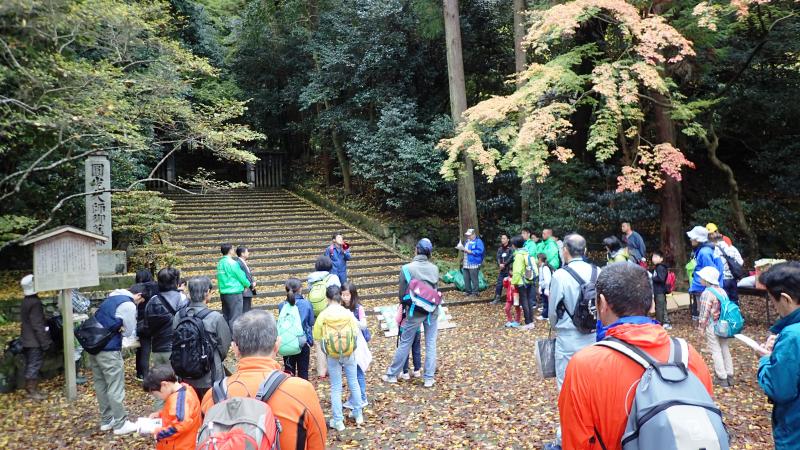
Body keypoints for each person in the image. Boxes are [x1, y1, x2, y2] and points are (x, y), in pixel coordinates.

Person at [558, 262, 714, 450]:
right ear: (652, 303)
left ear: (602, 303)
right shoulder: (688, 355)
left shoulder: (585, 365)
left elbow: (576, 441)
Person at [200, 310, 327, 450]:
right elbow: (318, 443)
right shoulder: (301, 391)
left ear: (235, 348)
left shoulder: (212, 398)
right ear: (277, 345)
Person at [544, 233, 597, 450]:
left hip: (568, 337)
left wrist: (554, 325)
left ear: (565, 249)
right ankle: (592, 433)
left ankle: (566, 438)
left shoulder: (560, 275)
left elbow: (553, 310)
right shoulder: (597, 271)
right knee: (591, 387)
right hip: (592, 336)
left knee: (567, 389)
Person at [383, 238, 440, 388]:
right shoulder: (435, 268)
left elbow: (402, 295)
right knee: (430, 342)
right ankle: (428, 378)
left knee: (405, 342)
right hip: (432, 310)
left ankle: (392, 375)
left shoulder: (406, 268)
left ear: (416, 250)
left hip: (415, 310)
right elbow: (435, 289)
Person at [90, 285, 147, 435]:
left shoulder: (112, 297)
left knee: (101, 383)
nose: (139, 304)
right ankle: (120, 423)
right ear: (139, 295)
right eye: (141, 301)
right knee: (115, 385)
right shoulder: (128, 304)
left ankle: (107, 420)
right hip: (109, 349)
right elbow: (129, 331)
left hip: (94, 345)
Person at [756, 262, 800, 449]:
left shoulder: (792, 336)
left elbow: (780, 389)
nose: (774, 308)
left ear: (785, 299)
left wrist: (765, 359)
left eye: (773, 302)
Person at [312, 285, 364, 430]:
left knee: (336, 387)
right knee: (353, 381)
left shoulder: (323, 315)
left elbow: (316, 335)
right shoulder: (347, 313)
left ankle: (338, 421)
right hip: (349, 352)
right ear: (340, 297)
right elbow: (355, 332)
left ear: (327, 299)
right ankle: (358, 414)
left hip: (332, 354)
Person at [173, 276, 231, 401]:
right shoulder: (215, 317)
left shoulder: (179, 315)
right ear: (207, 293)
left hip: (184, 372)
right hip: (210, 374)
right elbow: (224, 346)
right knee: (211, 407)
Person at [143, 364, 201, 450]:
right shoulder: (184, 389)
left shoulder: (180, 400)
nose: (156, 397)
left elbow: (181, 424)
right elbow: (177, 413)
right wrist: (160, 414)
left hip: (179, 445)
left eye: (155, 394)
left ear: (164, 385)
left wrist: (159, 433)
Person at [696, 266, 735, 387]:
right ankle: (730, 375)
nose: (700, 279)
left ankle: (721, 377)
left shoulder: (707, 293)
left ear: (707, 279)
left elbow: (704, 313)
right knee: (724, 348)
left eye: (702, 277)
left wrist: (701, 328)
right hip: (724, 325)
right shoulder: (722, 291)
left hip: (713, 326)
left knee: (716, 350)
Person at [144, 268, 187, 376]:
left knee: (160, 384)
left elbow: (146, 325)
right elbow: (186, 324)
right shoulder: (181, 298)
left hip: (157, 348)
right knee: (175, 385)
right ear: (176, 281)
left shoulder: (152, 300)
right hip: (176, 349)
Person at [307, 255, 341, 378]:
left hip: (316, 312)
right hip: (329, 311)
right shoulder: (333, 277)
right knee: (332, 337)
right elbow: (337, 293)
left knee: (319, 340)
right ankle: (333, 367)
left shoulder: (311, 278)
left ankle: (321, 370)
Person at [19, 275, 52, 400]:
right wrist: (45, 342)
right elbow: (38, 324)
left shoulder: (26, 301)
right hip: (34, 341)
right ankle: (31, 391)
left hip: (26, 339)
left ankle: (31, 389)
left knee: (31, 363)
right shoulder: (35, 302)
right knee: (34, 364)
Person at [279, 278, 315, 380]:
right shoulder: (306, 304)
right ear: (300, 289)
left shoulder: (282, 305)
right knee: (303, 372)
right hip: (303, 341)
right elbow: (311, 322)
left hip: (287, 341)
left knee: (289, 372)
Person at [341, 282, 370, 408]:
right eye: (343, 295)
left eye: (347, 295)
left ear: (353, 295)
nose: (345, 297)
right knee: (350, 373)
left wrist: (352, 319)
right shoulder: (340, 308)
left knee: (358, 371)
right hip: (345, 343)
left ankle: (362, 397)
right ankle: (354, 397)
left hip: (357, 343)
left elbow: (364, 325)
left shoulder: (358, 308)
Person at [687, 226, 724, 320]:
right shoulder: (707, 250)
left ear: (698, 239)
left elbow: (711, 272)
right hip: (704, 287)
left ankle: (708, 332)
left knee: (705, 313)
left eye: (693, 237)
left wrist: (710, 289)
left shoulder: (704, 252)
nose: (691, 239)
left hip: (704, 288)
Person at [216, 243, 252, 327]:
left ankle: (226, 337)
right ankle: (235, 338)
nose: (233, 250)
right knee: (235, 317)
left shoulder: (220, 263)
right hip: (234, 292)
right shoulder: (232, 263)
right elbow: (241, 276)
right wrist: (248, 285)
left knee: (226, 316)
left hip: (223, 292)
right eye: (232, 249)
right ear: (230, 251)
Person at [134, 269, 158, 380]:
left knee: (143, 349)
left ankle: (142, 374)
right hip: (155, 321)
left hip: (141, 323)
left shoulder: (135, 289)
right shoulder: (157, 287)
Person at [710, 232, 744, 305]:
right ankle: (735, 315)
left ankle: (726, 316)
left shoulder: (715, 250)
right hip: (733, 278)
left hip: (722, 279)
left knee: (724, 301)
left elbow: (713, 265)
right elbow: (741, 262)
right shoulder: (732, 248)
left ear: (714, 241)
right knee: (734, 301)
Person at [394, 297, 422, 379]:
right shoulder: (418, 303)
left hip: (404, 330)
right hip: (417, 330)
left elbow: (398, 319)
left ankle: (405, 372)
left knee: (404, 350)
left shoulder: (403, 305)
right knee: (416, 350)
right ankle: (417, 370)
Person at [510, 235, 534, 329]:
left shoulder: (518, 256)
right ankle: (531, 322)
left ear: (515, 245)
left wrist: (513, 283)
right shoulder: (526, 252)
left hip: (521, 282)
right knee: (529, 301)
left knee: (524, 302)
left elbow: (517, 271)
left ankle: (528, 322)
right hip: (529, 279)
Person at [461, 228, 485, 297]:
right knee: (466, 277)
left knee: (474, 278)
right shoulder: (467, 241)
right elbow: (465, 250)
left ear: (474, 234)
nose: (468, 236)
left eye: (469, 235)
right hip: (465, 262)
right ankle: (468, 291)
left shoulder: (478, 241)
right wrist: (462, 249)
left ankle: (475, 292)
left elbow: (480, 251)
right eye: (467, 235)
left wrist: (471, 252)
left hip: (474, 263)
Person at [651, 251, 671, 329]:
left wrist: (652, 277)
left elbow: (661, 278)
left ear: (661, 259)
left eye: (656, 257)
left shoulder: (660, 267)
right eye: (653, 257)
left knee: (660, 307)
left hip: (660, 290)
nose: (654, 259)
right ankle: (665, 322)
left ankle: (660, 323)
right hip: (658, 290)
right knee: (662, 306)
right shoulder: (657, 267)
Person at [493, 233, 513, 304]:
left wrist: (504, 264)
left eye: (504, 238)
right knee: (499, 284)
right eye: (502, 238)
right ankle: (497, 298)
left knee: (510, 284)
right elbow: (498, 257)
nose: (502, 240)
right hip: (502, 269)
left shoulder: (511, 248)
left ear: (508, 239)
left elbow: (511, 257)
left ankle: (510, 299)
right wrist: (500, 264)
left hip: (509, 269)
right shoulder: (500, 249)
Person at [235, 245, 256, 314]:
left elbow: (248, 275)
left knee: (247, 310)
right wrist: (250, 285)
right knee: (245, 311)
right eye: (247, 252)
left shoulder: (242, 262)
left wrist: (252, 282)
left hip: (248, 289)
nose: (248, 253)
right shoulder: (238, 263)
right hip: (245, 290)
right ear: (242, 254)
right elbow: (242, 277)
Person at [537, 253, 553, 321]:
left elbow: (547, 279)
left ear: (540, 259)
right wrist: (540, 287)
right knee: (545, 301)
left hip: (547, 287)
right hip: (544, 287)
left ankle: (547, 315)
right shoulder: (542, 267)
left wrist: (546, 288)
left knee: (547, 302)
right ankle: (545, 314)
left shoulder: (545, 267)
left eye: (537, 259)